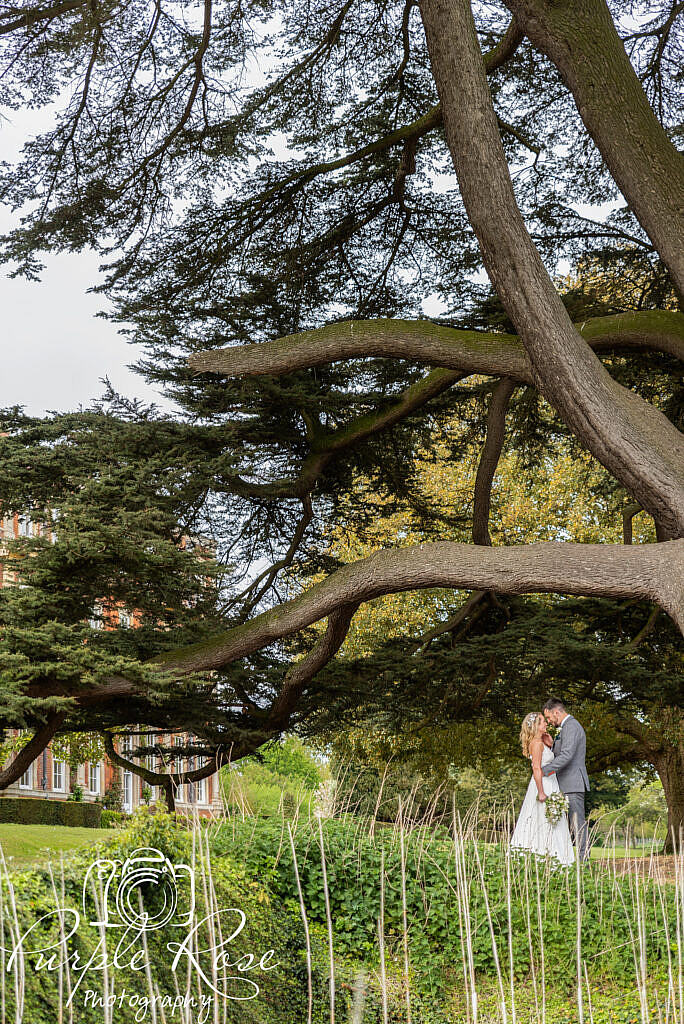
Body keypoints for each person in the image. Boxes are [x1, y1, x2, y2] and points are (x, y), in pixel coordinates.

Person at [510, 711, 574, 866]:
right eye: (543, 722)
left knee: (553, 820)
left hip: (551, 783)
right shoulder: (537, 744)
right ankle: (547, 857)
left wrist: (551, 744)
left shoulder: (542, 742)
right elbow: (537, 769)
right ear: (536, 726)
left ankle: (556, 857)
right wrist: (541, 792)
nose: (546, 723)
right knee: (544, 819)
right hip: (544, 784)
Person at [541, 698, 591, 861]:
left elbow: (568, 755)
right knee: (568, 825)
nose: (549, 721)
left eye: (548, 717)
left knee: (578, 824)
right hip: (566, 783)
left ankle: (584, 863)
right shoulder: (567, 728)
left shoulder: (572, 726)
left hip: (572, 783)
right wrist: (552, 745)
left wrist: (544, 771)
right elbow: (564, 751)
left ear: (556, 712)